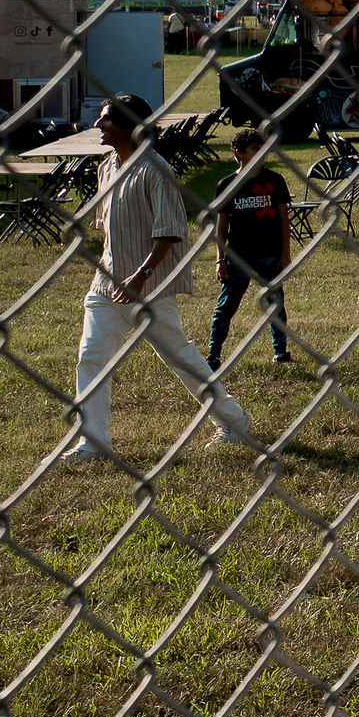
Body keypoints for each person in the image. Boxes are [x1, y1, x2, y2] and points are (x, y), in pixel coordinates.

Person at [65, 95, 255, 463]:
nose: (98, 127)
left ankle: (233, 420)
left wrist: (141, 276)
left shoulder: (155, 169)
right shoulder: (107, 167)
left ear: (130, 126)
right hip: (107, 284)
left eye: (106, 121)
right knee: (91, 357)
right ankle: (93, 441)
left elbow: (169, 231)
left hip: (148, 288)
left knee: (180, 358)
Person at [205, 127, 295, 371]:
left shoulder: (274, 180)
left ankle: (281, 352)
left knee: (275, 304)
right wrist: (220, 260)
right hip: (238, 257)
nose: (262, 152)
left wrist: (285, 254)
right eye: (255, 148)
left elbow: (284, 220)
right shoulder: (227, 185)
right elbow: (221, 227)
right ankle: (213, 354)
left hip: (270, 254)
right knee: (225, 307)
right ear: (239, 153)